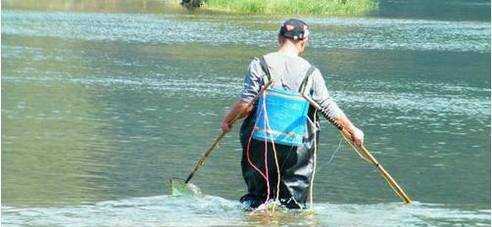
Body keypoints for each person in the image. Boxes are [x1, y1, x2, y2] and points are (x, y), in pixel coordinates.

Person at [220, 18, 364, 209]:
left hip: (259, 144)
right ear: (303, 42)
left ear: (279, 38)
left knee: (257, 201)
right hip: (297, 148)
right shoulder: (311, 73)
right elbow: (328, 107)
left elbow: (246, 105)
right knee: (292, 206)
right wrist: (353, 130)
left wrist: (228, 121)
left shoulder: (259, 64)